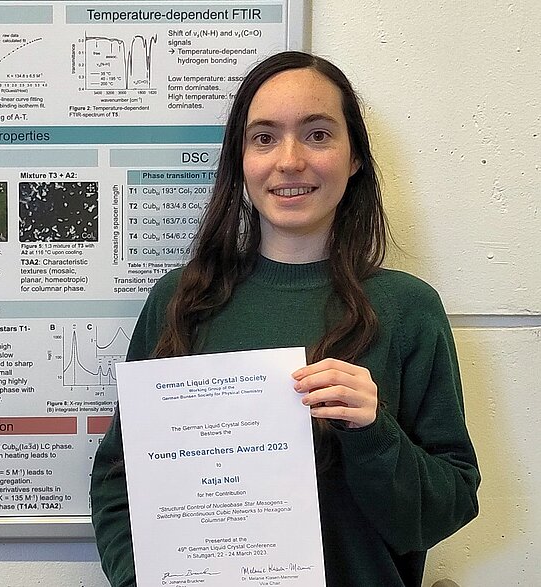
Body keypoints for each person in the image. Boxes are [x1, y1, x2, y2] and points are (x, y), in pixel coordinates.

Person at [90, 51, 480, 587]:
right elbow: (118, 481)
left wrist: (373, 431)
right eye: (264, 137)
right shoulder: (180, 300)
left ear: (355, 158)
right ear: (241, 161)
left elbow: (442, 512)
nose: (289, 160)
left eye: (318, 135)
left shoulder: (408, 309)